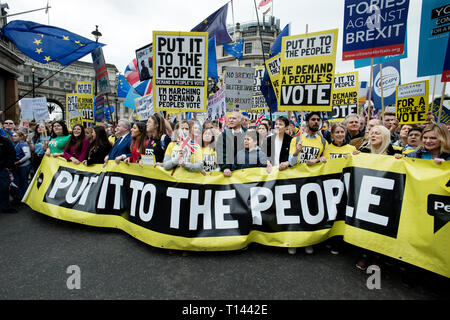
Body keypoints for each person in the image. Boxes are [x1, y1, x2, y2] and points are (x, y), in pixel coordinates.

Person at [288, 111, 328, 255]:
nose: (316, 122)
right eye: (313, 119)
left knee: (310, 212)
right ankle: (293, 242)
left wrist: (317, 160)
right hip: (297, 180)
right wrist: (296, 152)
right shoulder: (296, 139)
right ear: (307, 122)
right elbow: (291, 163)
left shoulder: (323, 142)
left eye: (318, 120)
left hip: (314, 182)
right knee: (296, 212)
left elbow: (326, 161)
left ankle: (307, 242)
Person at [216, 111, 247, 177]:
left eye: (234, 118)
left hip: (246, 171)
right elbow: (221, 153)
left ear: (241, 121)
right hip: (228, 172)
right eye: (230, 118)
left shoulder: (248, 133)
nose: (231, 120)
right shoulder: (223, 135)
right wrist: (225, 167)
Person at [11, 131, 32, 204]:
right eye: (13, 136)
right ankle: (20, 197)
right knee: (19, 181)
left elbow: (28, 155)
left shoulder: (23, 144)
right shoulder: (16, 144)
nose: (13, 137)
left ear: (21, 137)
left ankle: (25, 198)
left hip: (24, 165)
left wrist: (19, 162)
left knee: (24, 181)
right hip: (18, 166)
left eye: (15, 136)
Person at [0, 135, 17, 213]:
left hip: (2, 169)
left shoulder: (5, 141)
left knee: (4, 188)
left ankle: (5, 207)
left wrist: (7, 166)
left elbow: (12, 154)